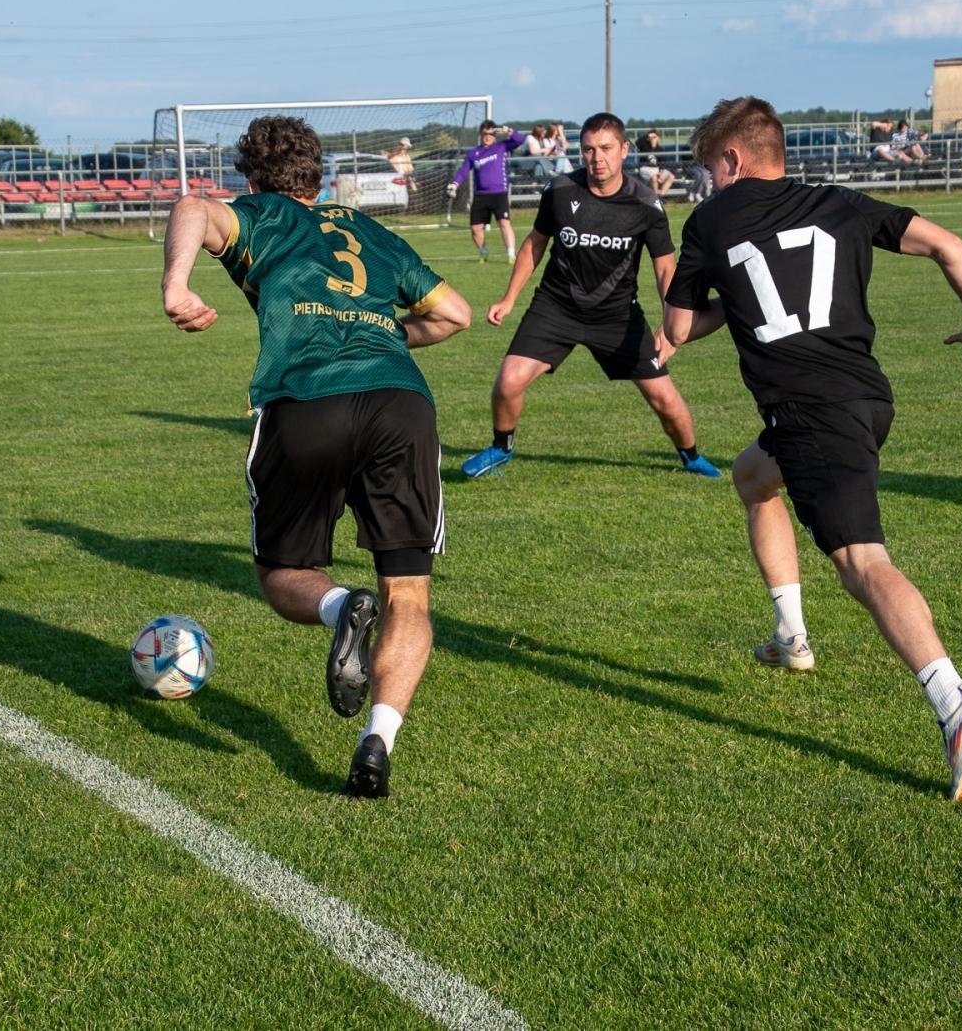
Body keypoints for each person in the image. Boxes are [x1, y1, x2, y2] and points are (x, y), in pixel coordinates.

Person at [662, 96, 962, 802]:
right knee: (755, 475)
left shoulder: (712, 219)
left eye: (709, 172)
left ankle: (952, 701)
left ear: (732, 160)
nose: (708, 187)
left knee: (860, 560)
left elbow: (680, 323)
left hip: (811, 412)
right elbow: (951, 245)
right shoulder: (840, 200)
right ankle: (791, 634)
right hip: (865, 398)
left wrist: (734, 293)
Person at [161, 115, 472, 798]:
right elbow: (456, 315)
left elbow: (189, 206)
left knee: (282, 574)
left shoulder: (257, 217)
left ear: (253, 181)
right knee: (410, 596)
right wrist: (381, 329)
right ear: (320, 176)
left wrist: (177, 285)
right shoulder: (370, 230)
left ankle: (339, 606)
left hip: (307, 401)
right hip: (400, 402)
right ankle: (378, 739)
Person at [460, 111, 721, 481]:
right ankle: (501, 448)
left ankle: (691, 456)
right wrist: (508, 298)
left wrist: (669, 323)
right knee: (509, 381)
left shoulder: (646, 204)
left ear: (624, 150)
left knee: (664, 399)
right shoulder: (561, 190)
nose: (597, 158)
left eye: (606, 148)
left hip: (617, 317)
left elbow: (664, 267)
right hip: (555, 308)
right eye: (588, 149)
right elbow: (534, 245)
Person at [447, 119, 525, 263]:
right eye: (484, 134)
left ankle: (511, 254)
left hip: (499, 194)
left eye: (490, 134)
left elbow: (520, 140)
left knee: (504, 223)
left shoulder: (501, 147)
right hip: (481, 195)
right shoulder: (473, 153)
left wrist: (507, 130)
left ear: (495, 134)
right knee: (475, 228)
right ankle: (483, 252)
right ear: (480, 134)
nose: (487, 137)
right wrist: (454, 184)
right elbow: (463, 171)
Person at [635, 128, 675, 194]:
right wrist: (647, 136)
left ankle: (661, 195)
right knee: (654, 177)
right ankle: (655, 197)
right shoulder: (644, 145)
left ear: (657, 138)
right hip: (645, 168)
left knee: (671, 176)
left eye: (654, 137)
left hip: (656, 169)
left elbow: (662, 162)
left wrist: (661, 171)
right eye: (651, 138)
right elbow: (637, 142)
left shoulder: (660, 149)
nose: (653, 139)